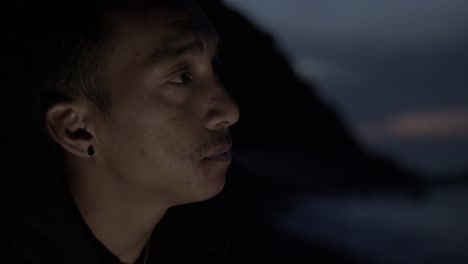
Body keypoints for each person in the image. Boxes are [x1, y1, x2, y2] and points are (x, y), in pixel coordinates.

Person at [0, 0, 240, 263]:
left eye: (214, 66)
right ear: (77, 129)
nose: (229, 111)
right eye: (181, 77)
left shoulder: (217, 233)